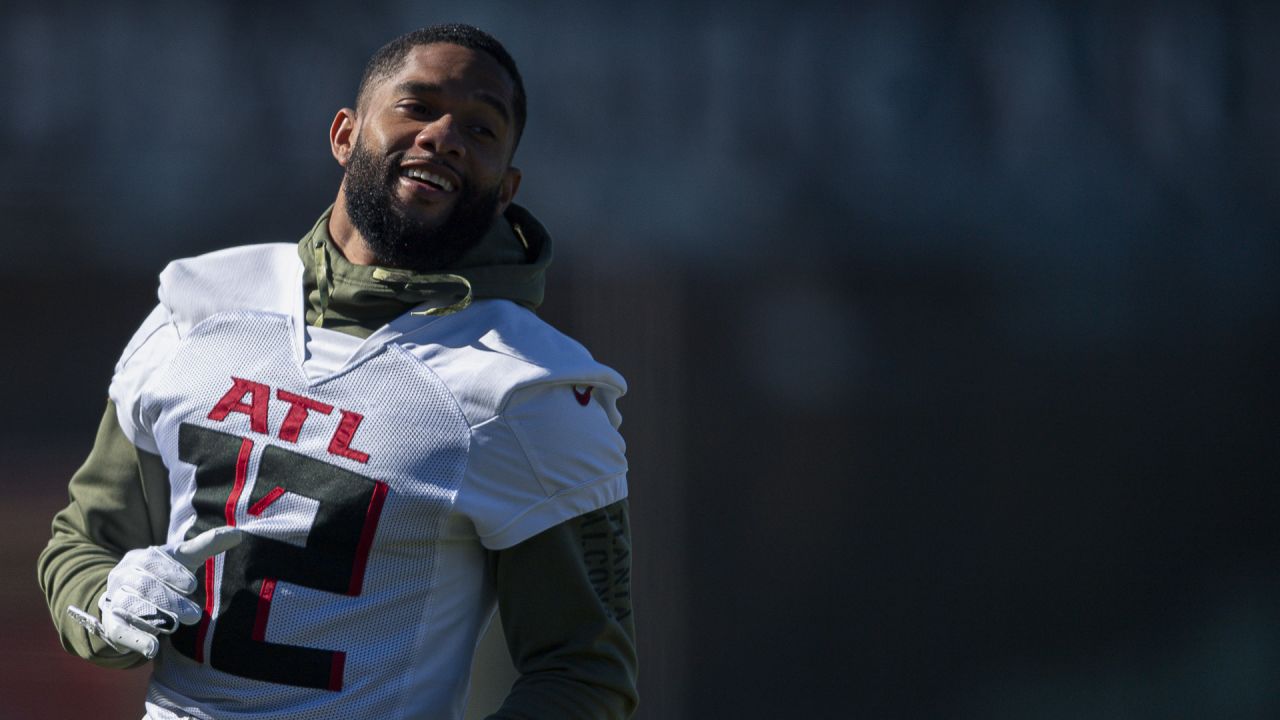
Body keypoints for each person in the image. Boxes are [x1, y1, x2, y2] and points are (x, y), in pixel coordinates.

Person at [37, 24, 637, 720]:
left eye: (479, 129)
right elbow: (83, 544)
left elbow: (585, 673)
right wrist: (106, 605)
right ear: (345, 134)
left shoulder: (531, 388)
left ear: (505, 189)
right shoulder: (196, 307)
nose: (443, 135)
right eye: (416, 106)